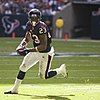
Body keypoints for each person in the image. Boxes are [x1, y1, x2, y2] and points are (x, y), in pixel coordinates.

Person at [4, 8, 68, 94]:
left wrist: (27, 50)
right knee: (23, 67)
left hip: (45, 53)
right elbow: (27, 37)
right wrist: (22, 45)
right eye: (32, 18)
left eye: (35, 18)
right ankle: (15, 89)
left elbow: (43, 46)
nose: (33, 20)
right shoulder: (29, 25)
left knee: (44, 76)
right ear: (29, 18)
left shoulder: (41, 27)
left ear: (39, 18)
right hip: (36, 51)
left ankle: (60, 70)